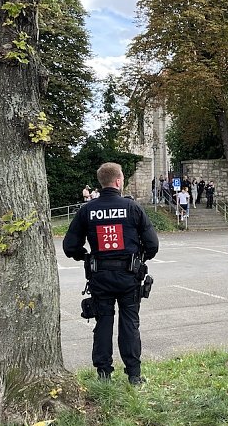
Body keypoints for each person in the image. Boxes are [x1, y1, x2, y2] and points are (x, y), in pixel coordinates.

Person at [63, 162, 160, 385]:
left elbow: (70, 246)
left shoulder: (87, 210)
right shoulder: (132, 208)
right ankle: (134, 375)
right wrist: (139, 259)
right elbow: (152, 245)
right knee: (130, 324)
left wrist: (85, 256)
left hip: (100, 277)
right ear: (118, 181)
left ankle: (104, 374)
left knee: (103, 324)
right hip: (129, 277)